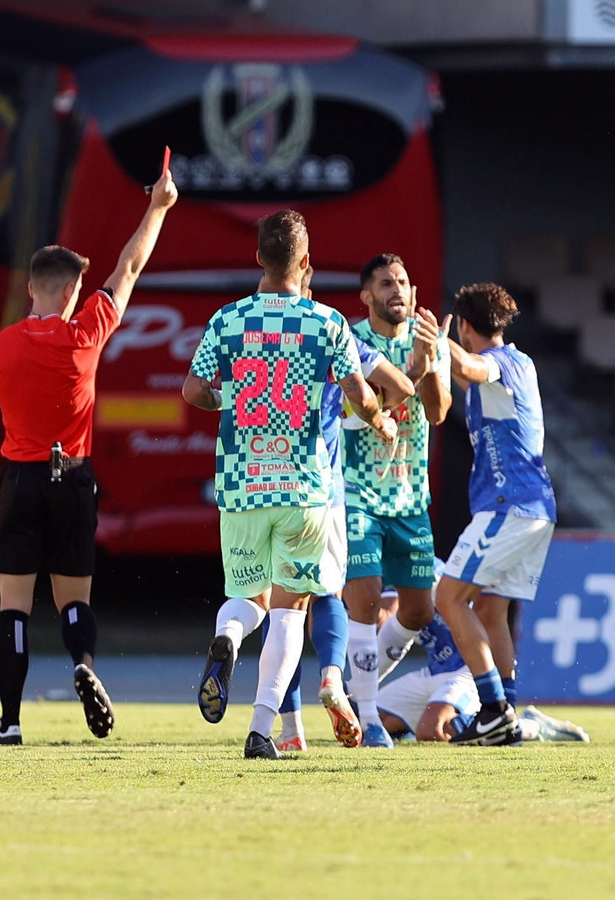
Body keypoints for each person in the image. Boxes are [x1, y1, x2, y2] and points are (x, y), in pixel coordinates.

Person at [0, 167, 178, 746]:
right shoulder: (88, 332)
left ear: (31, 288)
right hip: (72, 476)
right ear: (74, 292)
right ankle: (85, 665)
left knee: (14, 608)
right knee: (74, 599)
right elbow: (129, 267)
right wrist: (159, 208)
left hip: (19, 480)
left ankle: (11, 722)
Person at [182, 210, 411, 759]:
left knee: (247, 599)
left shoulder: (227, 320)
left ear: (258, 258)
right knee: (289, 610)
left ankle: (229, 637)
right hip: (306, 487)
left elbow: (193, 390)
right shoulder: (328, 323)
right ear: (306, 262)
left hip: (241, 484)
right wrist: (375, 412)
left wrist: (226, 401)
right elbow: (360, 391)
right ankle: (261, 731)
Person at [232, 266, 390, 752]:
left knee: (278, 609)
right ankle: (331, 676)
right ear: (306, 279)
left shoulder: (247, 326)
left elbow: (204, 391)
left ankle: (290, 729)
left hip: (256, 482)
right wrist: (375, 420)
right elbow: (387, 386)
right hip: (320, 486)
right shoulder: (329, 326)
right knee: (325, 597)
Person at [435, 283, 558, 746]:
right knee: (490, 608)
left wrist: (432, 338)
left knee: (449, 598)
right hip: (534, 508)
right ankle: (502, 712)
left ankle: (491, 709)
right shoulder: (517, 364)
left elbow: (470, 366)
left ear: (466, 325)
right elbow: (464, 375)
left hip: (511, 505)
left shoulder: (501, 362)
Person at [341, 253, 451, 749]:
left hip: (410, 497)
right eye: (386, 283)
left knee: (419, 612)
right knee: (363, 605)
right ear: (366, 296)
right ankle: (367, 718)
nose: (398, 290)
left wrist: (428, 366)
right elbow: (365, 406)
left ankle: (351, 688)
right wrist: (411, 369)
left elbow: (438, 411)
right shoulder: (352, 343)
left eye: (403, 281)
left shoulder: (428, 338)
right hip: (358, 492)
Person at [374, 562, 588, 744]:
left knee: (433, 730)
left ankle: (531, 725)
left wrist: (357, 613)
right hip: (435, 669)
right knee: (374, 722)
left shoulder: (409, 563)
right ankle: (449, 713)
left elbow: (388, 614)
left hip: (469, 667)